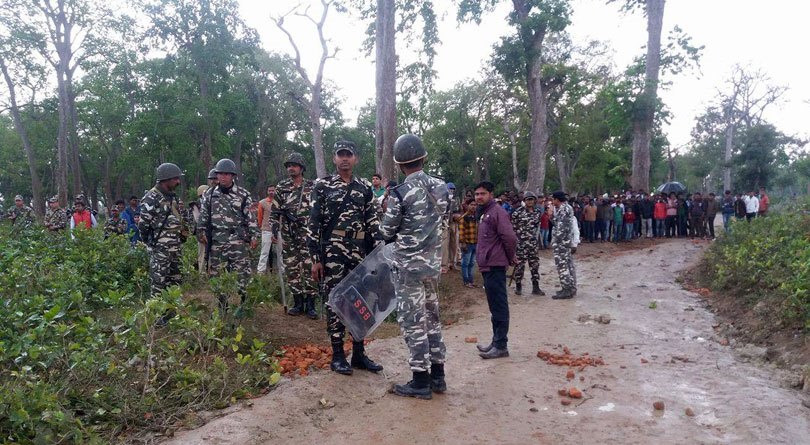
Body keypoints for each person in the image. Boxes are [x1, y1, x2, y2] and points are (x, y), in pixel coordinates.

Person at [379, 134, 449, 399]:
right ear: (423, 158)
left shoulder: (400, 193)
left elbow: (387, 230)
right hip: (432, 267)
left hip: (408, 267)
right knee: (432, 316)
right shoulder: (442, 188)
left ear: (399, 164)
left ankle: (420, 380)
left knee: (413, 321)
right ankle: (439, 376)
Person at [308, 140, 383, 375]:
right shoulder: (322, 186)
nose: (344, 159)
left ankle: (359, 353)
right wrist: (315, 258)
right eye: (340, 154)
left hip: (360, 251)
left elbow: (373, 220)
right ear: (334, 159)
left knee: (361, 300)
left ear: (355, 159)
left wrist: (382, 246)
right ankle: (338, 354)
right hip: (334, 250)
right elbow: (313, 223)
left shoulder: (364, 187)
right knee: (336, 299)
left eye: (348, 155)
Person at [198, 158, 259, 314]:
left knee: (242, 273)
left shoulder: (243, 194)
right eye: (220, 174)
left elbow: (250, 217)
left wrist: (254, 236)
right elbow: (203, 217)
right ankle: (222, 304)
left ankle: (242, 304)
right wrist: (201, 232)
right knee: (216, 274)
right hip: (217, 241)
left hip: (237, 241)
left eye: (226, 174)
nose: (223, 177)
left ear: (233, 176)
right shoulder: (209, 194)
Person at [272, 152, 318, 318]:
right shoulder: (282, 187)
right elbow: (275, 211)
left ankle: (311, 304)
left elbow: (319, 210)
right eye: (288, 166)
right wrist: (274, 229)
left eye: (294, 165)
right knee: (292, 267)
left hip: (308, 234)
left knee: (309, 267)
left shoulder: (312, 186)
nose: (291, 168)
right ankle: (298, 302)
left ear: (302, 168)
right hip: (288, 233)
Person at [474, 181, 517, 359]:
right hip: (487, 264)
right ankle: (495, 341)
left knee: (499, 305)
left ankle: (501, 346)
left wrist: (509, 256)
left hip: (495, 265)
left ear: (491, 194)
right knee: (494, 305)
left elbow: (509, 237)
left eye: (482, 194)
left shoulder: (498, 212)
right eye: (476, 194)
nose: (478, 197)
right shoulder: (486, 213)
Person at [138, 162, 188, 312]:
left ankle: (172, 313)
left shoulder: (172, 197)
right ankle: (157, 316)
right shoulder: (151, 198)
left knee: (175, 281)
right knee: (159, 283)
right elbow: (143, 225)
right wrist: (151, 243)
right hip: (160, 249)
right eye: (176, 179)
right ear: (166, 179)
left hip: (175, 248)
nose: (178, 182)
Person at [510, 191, 544, 296]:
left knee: (534, 265)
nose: (529, 201)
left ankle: (536, 287)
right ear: (524, 201)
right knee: (520, 265)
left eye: (531, 199)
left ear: (534, 200)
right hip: (521, 244)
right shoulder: (517, 212)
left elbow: (537, 226)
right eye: (527, 199)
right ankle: (518, 286)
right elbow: (512, 228)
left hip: (533, 243)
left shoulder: (537, 212)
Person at [550, 191, 576, 299]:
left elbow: (561, 228)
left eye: (553, 199)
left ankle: (567, 290)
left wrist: (556, 241)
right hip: (565, 242)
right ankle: (570, 287)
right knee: (568, 265)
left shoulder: (564, 209)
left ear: (557, 199)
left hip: (561, 243)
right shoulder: (565, 208)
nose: (552, 201)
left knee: (562, 266)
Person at [455, 199, 478, 288]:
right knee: (466, 263)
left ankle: (471, 281)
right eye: (472, 204)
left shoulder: (476, 217)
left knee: (472, 263)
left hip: (475, 243)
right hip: (467, 243)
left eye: (475, 205)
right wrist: (463, 243)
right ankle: (466, 281)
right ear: (468, 206)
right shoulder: (464, 217)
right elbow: (461, 232)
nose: (473, 206)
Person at [440, 182, 460, 273]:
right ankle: (444, 265)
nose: (451, 191)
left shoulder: (456, 200)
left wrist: (457, 216)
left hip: (454, 223)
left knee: (454, 243)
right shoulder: (442, 199)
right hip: (444, 223)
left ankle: (452, 262)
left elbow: (459, 211)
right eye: (449, 189)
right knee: (444, 244)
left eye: (453, 189)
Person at [256, 185, 276, 274]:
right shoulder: (262, 202)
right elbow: (259, 217)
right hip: (266, 230)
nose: (271, 192)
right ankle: (260, 272)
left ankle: (282, 272)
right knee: (264, 252)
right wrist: (262, 227)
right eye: (269, 190)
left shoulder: (279, 202)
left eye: (273, 190)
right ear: (267, 191)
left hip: (278, 230)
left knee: (281, 252)